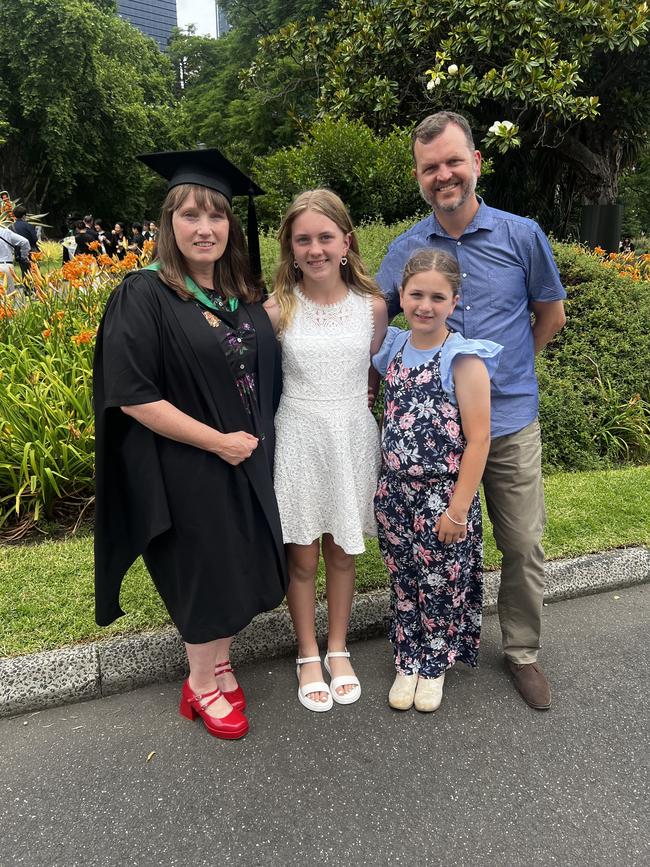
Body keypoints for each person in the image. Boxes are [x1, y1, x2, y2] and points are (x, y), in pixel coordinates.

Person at [93, 148, 288, 740]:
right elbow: (132, 395)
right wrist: (217, 442)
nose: (205, 229)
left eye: (217, 216)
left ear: (231, 227)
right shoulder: (144, 293)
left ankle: (219, 661)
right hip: (190, 464)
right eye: (191, 216)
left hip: (246, 459)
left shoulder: (241, 298)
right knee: (206, 570)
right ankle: (201, 684)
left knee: (245, 564)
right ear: (168, 224)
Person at [376, 111, 566, 710]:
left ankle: (522, 652)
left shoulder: (521, 235)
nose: (444, 175)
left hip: (504, 423)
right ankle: (433, 642)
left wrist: (492, 377)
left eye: (454, 161)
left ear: (477, 162)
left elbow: (550, 315)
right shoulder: (406, 249)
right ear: (418, 175)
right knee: (433, 545)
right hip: (428, 448)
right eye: (430, 167)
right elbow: (381, 328)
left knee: (521, 542)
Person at [264, 189, 387, 712]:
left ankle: (338, 646)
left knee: (342, 550)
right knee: (303, 555)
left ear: (346, 242)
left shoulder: (373, 307)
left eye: (325, 237)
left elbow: (375, 373)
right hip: (298, 435)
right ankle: (307, 652)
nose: (315, 249)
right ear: (290, 249)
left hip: (352, 436)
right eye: (303, 239)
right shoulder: (275, 310)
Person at [373, 249, 502, 712]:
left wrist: (458, 509)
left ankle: (434, 664)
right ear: (401, 296)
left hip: (442, 495)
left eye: (437, 297)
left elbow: (479, 440)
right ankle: (407, 656)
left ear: (454, 301)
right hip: (395, 493)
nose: (424, 305)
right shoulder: (394, 346)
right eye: (415, 294)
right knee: (405, 579)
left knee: (441, 581)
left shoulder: (463, 358)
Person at [0, 223, 30, 295]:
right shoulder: (5, 232)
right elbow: (25, 242)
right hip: (6, 266)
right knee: (8, 299)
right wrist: (23, 256)